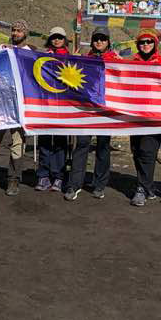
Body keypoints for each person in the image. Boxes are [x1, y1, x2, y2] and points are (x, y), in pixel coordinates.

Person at [0, 20, 35, 196]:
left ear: (25, 34)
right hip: (0, 103)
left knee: (17, 143)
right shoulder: (2, 48)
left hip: (18, 105)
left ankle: (13, 180)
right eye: (13, 30)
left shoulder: (29, 53)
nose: (15, 33)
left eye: (19, 31)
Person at [64, 30, 120, 201]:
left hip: (105, 110)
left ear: (108, 41)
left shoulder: (115, 60)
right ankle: (74, 184)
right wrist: (72, 61)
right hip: (87, 109)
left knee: (103, 146)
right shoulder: (85, 59)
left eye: (103, 39)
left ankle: (99, 185)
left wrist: (120, 63)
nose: (99, 42)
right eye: (96, 39)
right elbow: (71, 78)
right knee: (82, 145)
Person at [125, 29, 161, 206]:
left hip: (154, 117)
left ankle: (141, 189)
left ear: (155, 44)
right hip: (135, 116)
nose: (146, 45)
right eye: (142, 42)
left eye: (149, 41)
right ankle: (148, 185)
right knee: (137, 151)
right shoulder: (131, 64)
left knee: (148, 151)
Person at [35, 27, 71, 193]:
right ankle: (43, 175)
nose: (57, 40)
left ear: (64, 40)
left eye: (60, 38)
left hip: (63, 106)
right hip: (45, 104)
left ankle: (58, 176)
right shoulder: (41, 57)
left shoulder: (71, 58)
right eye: (54, 38)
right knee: (44, 140)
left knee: (60, 141)